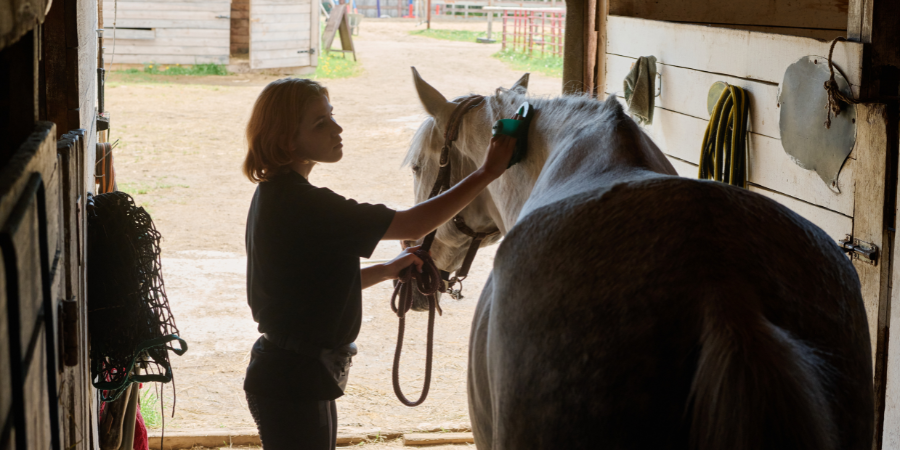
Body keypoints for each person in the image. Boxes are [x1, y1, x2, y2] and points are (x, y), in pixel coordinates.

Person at [241, 78, 516, 449]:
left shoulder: (277, 196)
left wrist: (387, 269)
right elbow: (414, 224)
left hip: (292, 373)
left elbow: (314, 283)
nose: (338, 129)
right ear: (288, 140)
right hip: (297, 380)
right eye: (320, 123)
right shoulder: (307, 206)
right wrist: (487, 172)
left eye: (332, 116)